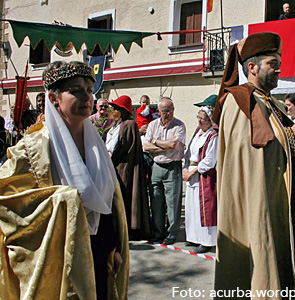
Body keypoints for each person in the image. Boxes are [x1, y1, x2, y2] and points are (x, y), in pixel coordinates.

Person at [212, 32, 295, 298]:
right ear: (251, 67)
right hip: (254, 207)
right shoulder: (239, 100)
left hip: (276, 201)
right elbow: (248, 157)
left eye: (279, 62)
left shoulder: (270, 103)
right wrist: (291, 136)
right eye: (272, 63)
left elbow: (279, 146)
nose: (279, 68)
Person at [0, 61, 129, 300]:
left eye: (90, 90)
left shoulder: (96, 144)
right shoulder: (32, 149)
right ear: (54, 98)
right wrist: (61, 201)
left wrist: (114, 247)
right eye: (76, 90)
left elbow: (108, 201)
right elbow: (9, 203)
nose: (87, 97)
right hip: (58, 256)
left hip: (99, 249)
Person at [105, 95, 151, 240]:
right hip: (112, 166)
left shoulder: (129, 124)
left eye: (116, 108)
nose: (113, 111)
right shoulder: (115, 125)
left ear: (123, 110)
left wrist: (112, 156)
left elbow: (125, 145)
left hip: (124, 167)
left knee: (125, 197)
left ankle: (128, 229)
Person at [143, 97, 186, 245]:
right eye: (165, 111)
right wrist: (163, 146)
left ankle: (172, 233)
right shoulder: (152, 125)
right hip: (156, 166)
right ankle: (158, 232)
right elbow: (145, 146)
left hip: (172, 166)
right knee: (156, 201)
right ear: (159, 111)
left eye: (170, 110)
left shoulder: (179, 126)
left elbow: (174, 144)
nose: (168, 114)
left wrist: (155, 142)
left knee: (172, 202)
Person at [183, 106, 218, 254]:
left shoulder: (213, 136)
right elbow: (189, 153)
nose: (199, 121)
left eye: (203, 119)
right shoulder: (198, 133)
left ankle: (206, 240)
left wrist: (193, 171)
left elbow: (210, 160)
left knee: (204, 208)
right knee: (192, 208)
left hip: (203, 175)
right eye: (198, 117)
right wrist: (185, 168)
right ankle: (194, 237)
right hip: (191, 173)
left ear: (210, 121)